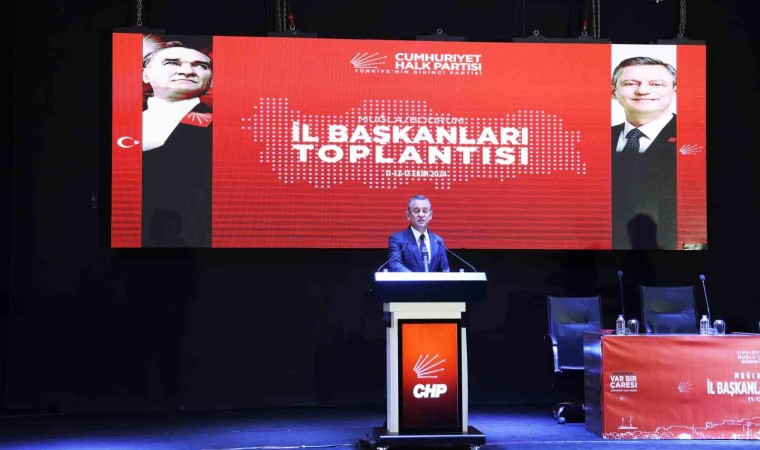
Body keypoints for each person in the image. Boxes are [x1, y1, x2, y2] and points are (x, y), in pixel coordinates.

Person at [141, 38, 213, 247]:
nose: (188, 71)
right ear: (146, 74)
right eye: (172, 63)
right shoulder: (121, 120)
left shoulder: (226, 126)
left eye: (201, 66)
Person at [611, 56, 677, 250]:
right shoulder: (595, 139)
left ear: (675, 90)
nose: (642, 91)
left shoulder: (697, 138)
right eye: (630, 83)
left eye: (656, 84)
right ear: (613, 91)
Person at [387, 195, 450, 272]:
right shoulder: (397, 239)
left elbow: (445, 270)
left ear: (430, 215)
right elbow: (395, 264)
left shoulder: (438, 241)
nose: (421, 215)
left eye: (425, 211)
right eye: (416, 211)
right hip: (408, 280)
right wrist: (417, 278)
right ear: (408, 215)